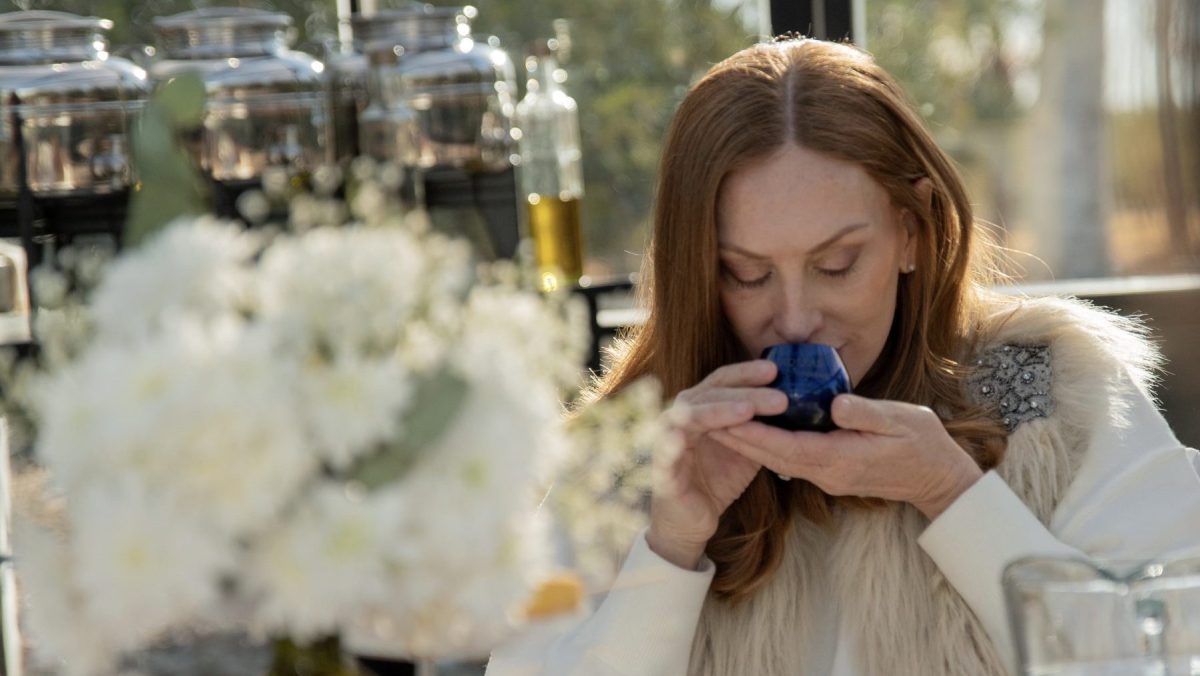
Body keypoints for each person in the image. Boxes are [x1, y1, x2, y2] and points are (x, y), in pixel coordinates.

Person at [486, 37, 1200, 676]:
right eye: (746, 273)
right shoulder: (628, 453)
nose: (796, 319)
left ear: (912, 231)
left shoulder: (1056, 394)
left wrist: (954, 495)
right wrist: (670, 545)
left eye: (837, 264)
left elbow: (1165, 651)